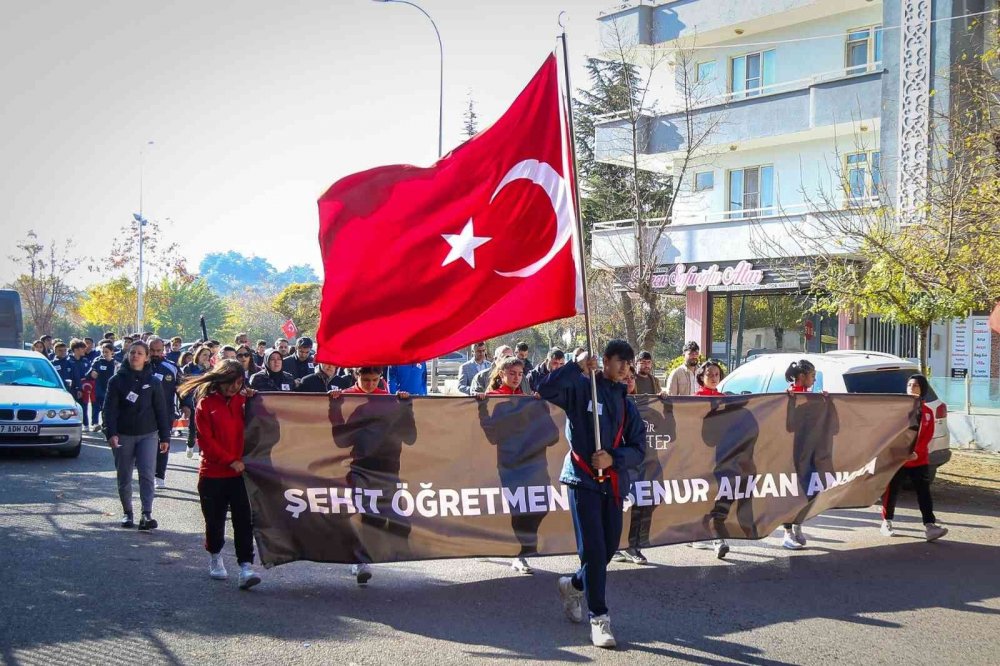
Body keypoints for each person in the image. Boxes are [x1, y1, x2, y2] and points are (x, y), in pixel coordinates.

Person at [537, 341, 646, 649]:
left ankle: (573, 585)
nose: (625, 368)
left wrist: (614, 457)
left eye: (629, 363)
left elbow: (639, 448)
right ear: (605, 360)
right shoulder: (583, 388)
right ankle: (599, 617)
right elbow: (545, 388)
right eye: (620, 361)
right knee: (594, 551)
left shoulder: (626, 404)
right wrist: (576, 365)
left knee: (608, 549)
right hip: (581, 479)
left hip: (612, 484)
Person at [177, 359, 262, 589]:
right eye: (231, 381)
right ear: (220, 378)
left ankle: (246, 566)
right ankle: (215, 556)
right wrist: (229, 460)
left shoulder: (245, 401)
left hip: (240, 475)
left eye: (239, 382)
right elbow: (206, 441)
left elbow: (263, 423)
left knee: (244, 521)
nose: (235, 386)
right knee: (214, 521)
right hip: (213, 474)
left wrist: (255, 398)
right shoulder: (205, 404)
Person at [328, 367, 412, 585]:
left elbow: (409, 437)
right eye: (366, 380)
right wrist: (335, 406)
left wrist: (407, 407)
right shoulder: (349, 398)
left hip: (389, 467)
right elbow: (342, 440)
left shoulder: (390, 401)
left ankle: (382, 552)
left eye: (375, 380)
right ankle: (360, 561)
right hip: (362, 467)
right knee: (365, 512)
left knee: (393, 517)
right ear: (357, 376)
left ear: (381, 379)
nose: (370, 384)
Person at [102, 341, 171, 530]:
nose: (135, 356)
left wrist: (165, 437)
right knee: (124, 475)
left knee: (147, 474)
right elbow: (109, 410)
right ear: (127, 354)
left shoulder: (154, 381)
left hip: (148, 434)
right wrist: (111, 433)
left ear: (146, 357)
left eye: (140, 353)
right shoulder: (116, 380)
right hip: (123, 434)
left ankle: (146, 514)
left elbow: (161, 410)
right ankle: (127, 513)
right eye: (132, 352)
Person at [880, 374, 949, 542]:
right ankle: (886, 522)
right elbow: (893, 433)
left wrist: (915, 451)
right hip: (899, 459)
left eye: (916, 385)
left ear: (922, 388)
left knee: (923, 492)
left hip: (919, 459)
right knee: (891, 490)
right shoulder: (899, 410)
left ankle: (930, 526)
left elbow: (927, 435)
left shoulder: (927, 412)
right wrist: (902, 452)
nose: (912, 388)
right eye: (909, 385)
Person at [690, 359, 731, 559]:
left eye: (716, 374)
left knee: (721, 494)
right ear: (701, 377)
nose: (714, 378)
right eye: (709, 374)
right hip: (700, 455)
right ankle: (702, 533)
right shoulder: (693, 400)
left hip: (721, 454)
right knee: (704, 495)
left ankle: (717, 536)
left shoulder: (726, 400)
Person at [780, 359, 819, 550]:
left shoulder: (812, 397)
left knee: (809, 490)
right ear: (802, 376)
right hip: (791, 453)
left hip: (809, 452)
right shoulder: (788, 396)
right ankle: (787, 532)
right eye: (812, 375)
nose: (814, 379)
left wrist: (825, 402)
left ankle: (797, 524)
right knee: (792, 492)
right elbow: (787, 426)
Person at [148, 337, 181, 490]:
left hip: (165, 412)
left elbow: (182, 388)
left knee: (163, 443)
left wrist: (186, 405)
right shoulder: (139, 365)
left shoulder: (171, 367)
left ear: (163, 350)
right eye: (152, 350)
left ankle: (159, 476)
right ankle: (146, 474)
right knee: (146, 445)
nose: (155, 354)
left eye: (158, 351)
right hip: (143, 413)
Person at [181, 346, 213, 457]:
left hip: (205, 401)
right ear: (198, 355)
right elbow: (188, 382)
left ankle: (202, 452)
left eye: (208, 355)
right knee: (193, 427)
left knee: (204, 429)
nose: (206, 357)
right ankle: (190, 444)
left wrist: (208, 370)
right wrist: (184, 404)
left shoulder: (211, 368)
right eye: (204, 355)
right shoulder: (189, 367)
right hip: (191, 401)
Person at [87, 343, 117, 432]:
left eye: (107, 352)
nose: (104, 354)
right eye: (103, 352)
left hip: (110, 390)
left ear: (112, 352)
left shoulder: (116, 364)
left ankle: (105, 425)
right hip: (98, 389)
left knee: (107, 409)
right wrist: (92, 373)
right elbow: (89, 373)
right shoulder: (98, 361)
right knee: (96, 407)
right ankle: (95, 424)